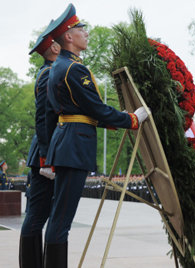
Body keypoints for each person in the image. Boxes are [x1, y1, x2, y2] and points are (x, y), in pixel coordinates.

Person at [41, 4, 149, 267]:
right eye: (81, 29)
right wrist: (132, 119)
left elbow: (82, 111)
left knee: (59, 217)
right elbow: (95, 108)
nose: (86, 33)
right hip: (74, 146)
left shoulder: (61, 66)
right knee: (62, 219)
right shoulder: (72, 69)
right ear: (68, 36)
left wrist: (111, 120)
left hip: (68, 142)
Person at [19, 21, 61, 267]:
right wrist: (46, 157)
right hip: (44, 155)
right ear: (54, 48)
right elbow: (43, 117)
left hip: (46, 152)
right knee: (37, 215)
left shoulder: (50, 71)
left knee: (39, 214)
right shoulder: (48, 73)